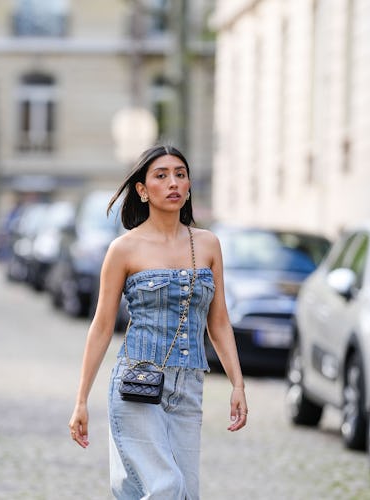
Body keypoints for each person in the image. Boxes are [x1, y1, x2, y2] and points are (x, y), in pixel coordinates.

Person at [68, 144, 248, 499]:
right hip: (138, 384)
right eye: (161, 176)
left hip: (189, 387)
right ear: (142, 189)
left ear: (190, 185)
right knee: (167, 487)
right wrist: (82, 400)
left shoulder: (208, 244)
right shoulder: (124, 249)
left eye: (180, 174)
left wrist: (237, 384)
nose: (173, 183)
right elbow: (102, 326)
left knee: (184, 494)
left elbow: (220, 322)